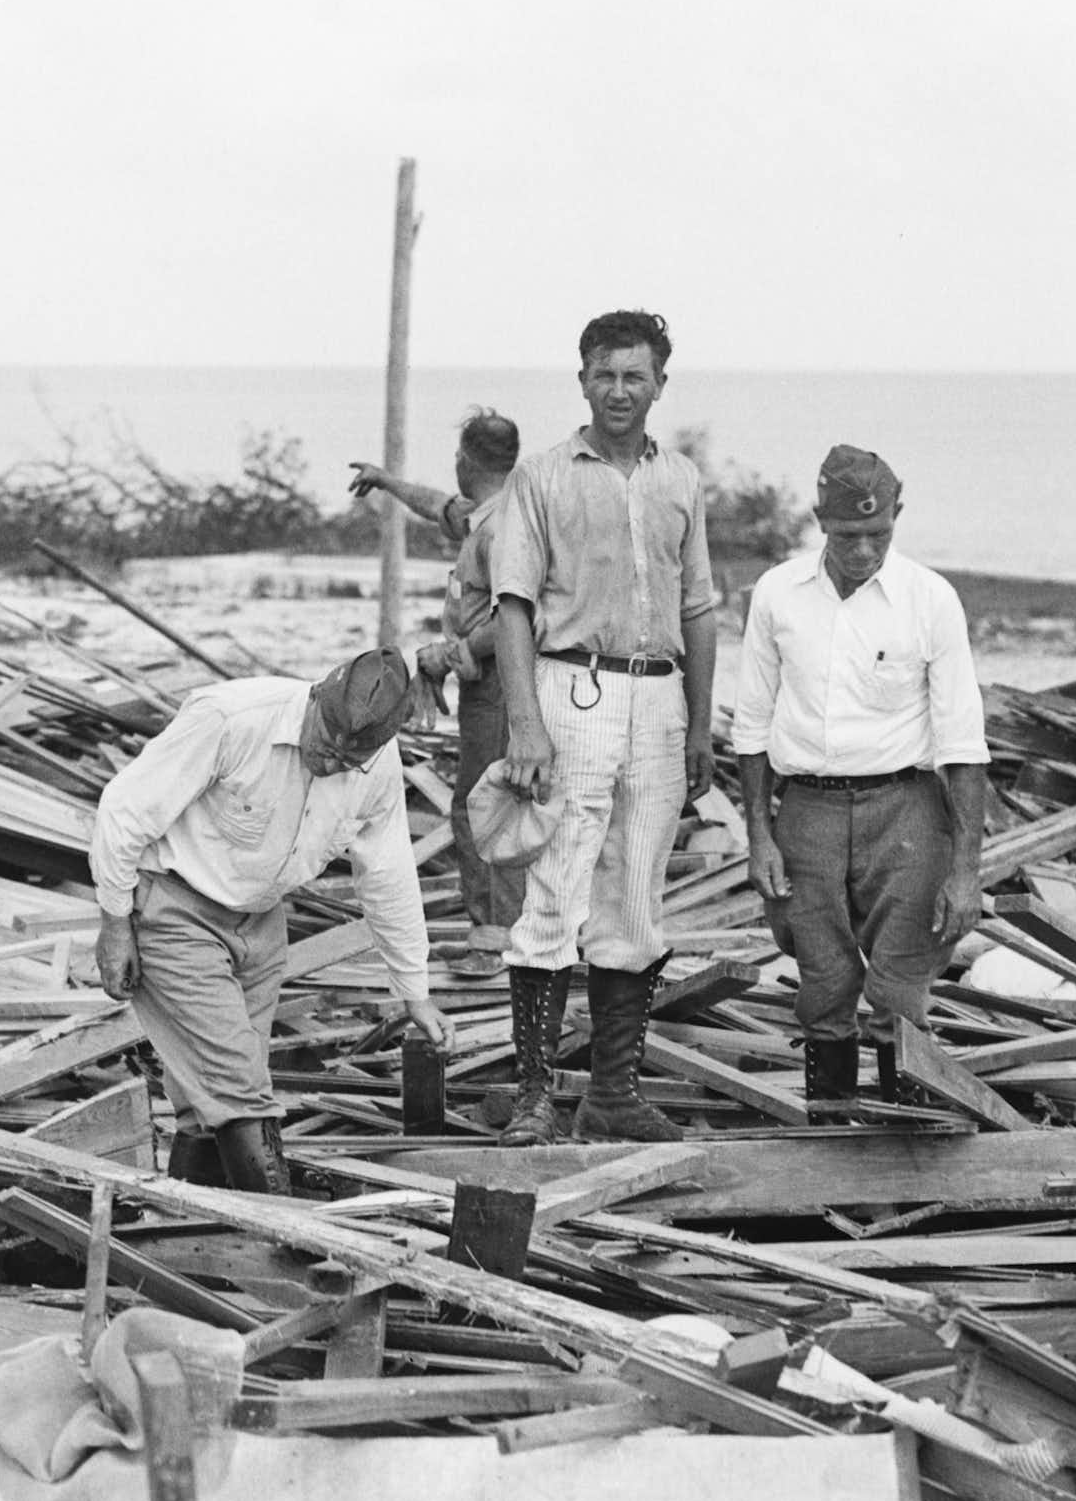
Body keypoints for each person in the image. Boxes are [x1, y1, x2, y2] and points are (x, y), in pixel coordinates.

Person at [91, 646, 454, 1193]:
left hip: (261, 925)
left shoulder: (377, 767)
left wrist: (414, 991)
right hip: (175, 909)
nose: (330, 763)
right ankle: (282, 1229)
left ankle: (199, 1241)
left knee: (207, 1102)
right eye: (325, 744)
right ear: (316, 698)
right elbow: (123, 810)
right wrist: (117, 921)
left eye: (345, 761)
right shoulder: (231, 719)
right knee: (238, 1083)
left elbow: (389, 875)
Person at [490, 311, 717, 1145]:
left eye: (636, 376)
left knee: (635, 899)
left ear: (660, 384)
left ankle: (613, 1093)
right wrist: (524, 723)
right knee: (555, 889)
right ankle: (533, 1099)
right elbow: (513, 604)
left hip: (658, 701)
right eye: (605, 374)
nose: (620, 390)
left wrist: (698, 722)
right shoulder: (542, 477)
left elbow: (697, 606)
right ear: (581, 379)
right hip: (570, 691)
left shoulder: (681, 481)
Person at [729, 444, 988, 1103]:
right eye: (849, 536)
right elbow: (752, 724)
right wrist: (759, 835)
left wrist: (964, 870)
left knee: (900, 987)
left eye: (880, 533)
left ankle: (906, 1126)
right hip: (807, 811)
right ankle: (831, 1126)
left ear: (897, 516)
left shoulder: (931, 600)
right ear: (821, 522)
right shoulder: (778, 596)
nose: (865, 551)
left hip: (906, 812)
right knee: (822, 981)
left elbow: (962, 740)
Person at [346, 410, 528, 977]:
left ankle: (496, 942)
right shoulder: (486, 515)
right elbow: (437, 506)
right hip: (486, 687)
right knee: (479, 802)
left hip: (505, 685)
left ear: (466, 461)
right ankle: (492, 932)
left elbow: (515, 619)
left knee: (489, 805)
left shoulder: (504, 533)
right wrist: (386, 480)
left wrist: (449, 654)